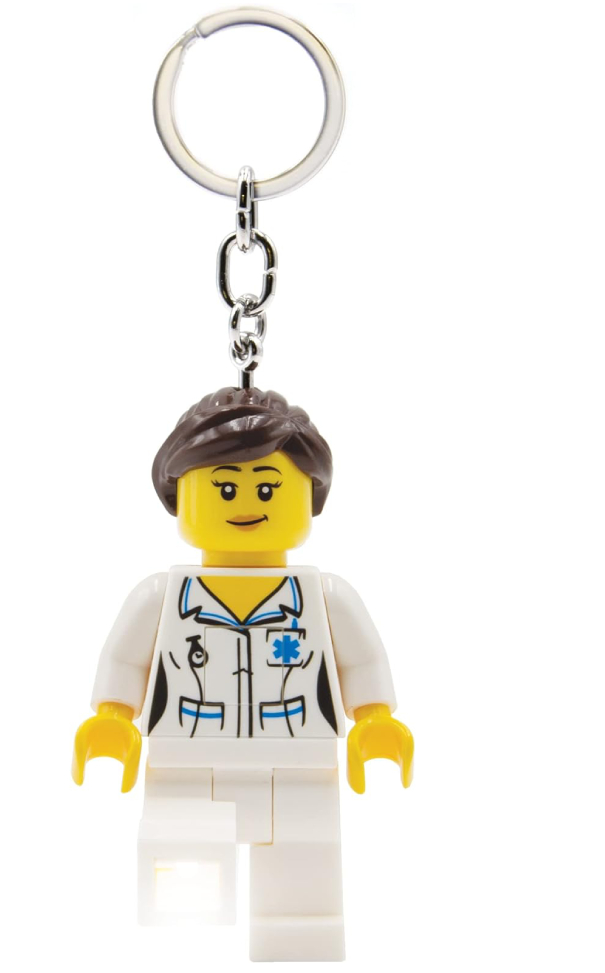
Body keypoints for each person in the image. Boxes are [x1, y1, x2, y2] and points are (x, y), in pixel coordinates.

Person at [72, 386, 413, 962]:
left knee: (302, 868)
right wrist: (112, 718)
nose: (246, 504)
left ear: (310, 497)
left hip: (300, 760)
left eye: (269, 488)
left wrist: (375, 720)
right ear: (181, 496)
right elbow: (126, 660)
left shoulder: (323, 597)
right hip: (186, 757)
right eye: (224, 488)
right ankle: (186, 957)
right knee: (182, 876)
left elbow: (362, 661)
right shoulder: (164, 597)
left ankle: (296, 937)